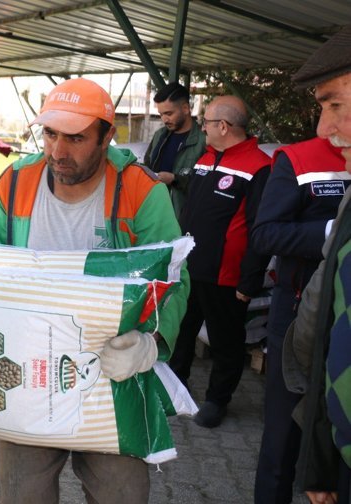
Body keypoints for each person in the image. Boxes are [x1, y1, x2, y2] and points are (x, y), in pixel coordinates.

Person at [0, 78, 189, 503]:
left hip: (110, 375)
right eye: (50, 134)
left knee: (122, 493)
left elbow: (174, 279)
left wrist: (151, 344)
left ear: (106, 136)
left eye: (76, 138)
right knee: (22, 492)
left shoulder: (141, 190)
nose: (58, 151)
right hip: (25, 374)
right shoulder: (15, 182)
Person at [252, 27, 351, 501]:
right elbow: (264, 234)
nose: (324, 126)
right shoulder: (297, 158)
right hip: (295, 317)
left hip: (336, 322)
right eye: (324, 107)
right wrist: (335, 232)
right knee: (282, 438)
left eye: (335, 105)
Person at [168, 95, 271, 428]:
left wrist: (249, 279)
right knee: (181, 333)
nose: (202, 128)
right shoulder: (206, 158)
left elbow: (260, 228)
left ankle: (216, 401)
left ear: (223, 126)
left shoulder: (259, 167)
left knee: (226, 343)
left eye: (207, 122)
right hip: (190, 268)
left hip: (226, 276)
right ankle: (175, 388)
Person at [144, 82, 207, 221]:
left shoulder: (204, 141)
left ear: (185, 108)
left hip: (182, 219)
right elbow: (147, 166)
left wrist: (175, 179)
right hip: (153, 214)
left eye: (169, 113)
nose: (164, 119)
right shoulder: (160, 135)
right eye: (161, 114)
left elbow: (206, 186)